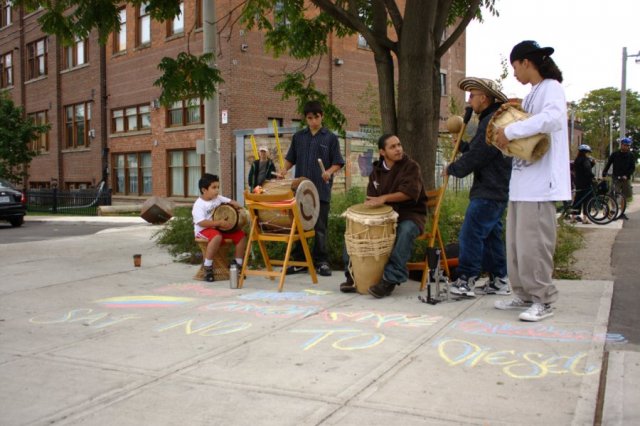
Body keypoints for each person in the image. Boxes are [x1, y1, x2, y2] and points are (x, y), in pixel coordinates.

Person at [494, 40, 571, 322]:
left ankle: (544, 299)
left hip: (541, 187)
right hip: (521, 185)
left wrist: (512, 130)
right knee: (516, 247)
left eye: (515, 66)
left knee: (534, 246)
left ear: (526, 62)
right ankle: (524, 294)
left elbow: (552, 118)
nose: (514, 73)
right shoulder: (531, 95)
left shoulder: (552, 87)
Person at [444, 77, 512, 297]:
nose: (469, 100)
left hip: (490, 190)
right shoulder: (489, 120)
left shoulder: (492, 121)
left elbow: (480, 154)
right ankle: (499, 279)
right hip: (494, 188)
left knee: (471, 234)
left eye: (472, 95)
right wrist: (462, 146)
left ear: (484, 97)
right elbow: (478, 150)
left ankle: (466, 280)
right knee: (491, 236)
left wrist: (454, 169)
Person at [340, 134, 428, 298]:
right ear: (382, 152)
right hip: (384, 219)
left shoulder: (411, 167)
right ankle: (352, 275)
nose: (398, 149)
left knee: (406, 230)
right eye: (392, 147)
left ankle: (390, 279)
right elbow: (372, 198)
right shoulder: (376, 172)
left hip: (409, 215)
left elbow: (409, 193)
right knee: (353, 230)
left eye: (399, 145)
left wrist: (385, 198)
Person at [277, 100, 345, 277]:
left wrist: (329, 172)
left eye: (316, 117)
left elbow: (338, 161)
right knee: (300, 227)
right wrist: (284, 169)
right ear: (305, 119)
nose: (313, 121)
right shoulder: (299, 137)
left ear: (321, 116)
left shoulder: (330, 138)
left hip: (320, 190)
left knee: (320, 227)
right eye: (309, 118)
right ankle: (300, 262)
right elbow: (291, 158)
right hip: (301, 191)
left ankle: (321, 262)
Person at [192, 173, 248, 282]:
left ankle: (238, 265)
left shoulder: (217, 198)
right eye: (214, 187)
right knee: (217, 236)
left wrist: (238, 208)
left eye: (218, 187)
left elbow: (232, 202)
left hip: (218, 228)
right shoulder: (199, 204)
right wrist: (218, 223)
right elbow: (201, 222)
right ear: (204, 190)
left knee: (241, 235)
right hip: (203, 230)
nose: (217, 190)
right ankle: (208, 267)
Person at [602, 137, 635, 220]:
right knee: (613, 194)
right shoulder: (615, 154)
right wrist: (604, 172)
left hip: (626, 179)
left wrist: (627, 175)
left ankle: (622, 213)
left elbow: (632, 167)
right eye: (625, 145)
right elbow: (609, 163)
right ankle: (613, 210)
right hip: (616, 177)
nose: (626, 147)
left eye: (628, 145)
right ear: (621, 145)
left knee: (624, 196)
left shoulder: (630, 155)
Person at [570, 144, 595, 224]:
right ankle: (585, 219)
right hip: (586, 182)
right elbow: (587, 170)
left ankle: (573, 218)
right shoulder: (585, 160)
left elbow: (581, 169)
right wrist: (593, 176)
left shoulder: (577, 160)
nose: (589, 154)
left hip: (578, 182)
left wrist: (592, 164)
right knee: (587, 200)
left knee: (578, 199)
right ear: (585, 152)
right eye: (588, 152)